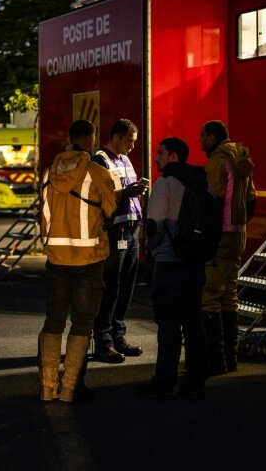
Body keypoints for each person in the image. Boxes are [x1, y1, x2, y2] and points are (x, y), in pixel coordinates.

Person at [37, 119, 117, 403]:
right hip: (88, 260)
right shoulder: (97, 172)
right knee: (82, 324)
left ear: (70, 139)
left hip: (56, 259)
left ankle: (47, 388)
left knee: (53, 322)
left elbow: (43, 217)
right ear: (91, 140)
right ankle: (69, 390)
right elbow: (110, 209)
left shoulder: (48, 172)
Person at [138, 137, 208, 400]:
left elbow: (154, 226)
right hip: (195, 264)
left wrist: (152, 250)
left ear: (174, 157)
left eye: (161, 153)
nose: (157, 158)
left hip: (169, 264)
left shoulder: (165, 183)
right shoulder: (201, 182)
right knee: (193, 324)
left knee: (168, 327)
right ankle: (195, 380)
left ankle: (165, 379)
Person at [199, 120, 257, 375]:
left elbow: (213, 202)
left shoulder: (216, 162)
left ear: (211, 138)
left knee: (210, 296)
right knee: (230, 295)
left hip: (220, 237)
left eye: (202, 137)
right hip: (238, 234)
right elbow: (252, 201)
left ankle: (216, 361)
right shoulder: (242, 160)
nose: (200, 142)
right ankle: (231, 359)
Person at [91, 118, 149, 363]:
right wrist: (127, 192)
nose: (132, 147)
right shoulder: (100, 160)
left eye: (134, 142)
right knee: (110, 288)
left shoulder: (124, 159)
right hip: (115, 232)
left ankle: (118, 337)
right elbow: (99, 195)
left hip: (132, 229)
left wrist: (137, 190)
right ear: (115, 136)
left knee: (126, 288)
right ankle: (103, 342)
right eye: (129, 141)